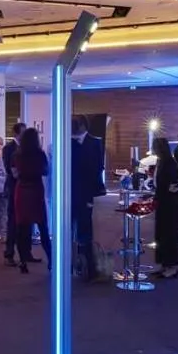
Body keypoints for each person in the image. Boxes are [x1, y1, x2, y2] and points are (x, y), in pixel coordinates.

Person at [71, 115, 106, 281]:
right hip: (69, 193)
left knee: (85, 230)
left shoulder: (95, 143)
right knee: (68, 230)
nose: (72, 128)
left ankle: (89, 269)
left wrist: (91, 193)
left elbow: (97, 168)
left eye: (75, 125)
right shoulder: (67, 142)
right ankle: (70, 265)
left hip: (85, 194)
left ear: (83, 126)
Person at [12, 127, 50, 274]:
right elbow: (45, 171)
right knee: (43, 227)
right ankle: (51, 260)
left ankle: (23, 262)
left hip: (21, 190)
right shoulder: (40, 154)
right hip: (36, 190)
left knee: (22, 228)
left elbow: (14, 174)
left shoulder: (17, 154)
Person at [151, 137, 178, 279]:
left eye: (155, 146)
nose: (153, 149)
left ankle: (172, 267)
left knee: (170, 235)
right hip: (161, 202)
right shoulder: (160, 161)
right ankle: (164, 264)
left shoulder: (170, 162)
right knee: (161, 235)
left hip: (169, 204)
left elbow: (171, 184)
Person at [2, 122, 26, 267]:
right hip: (14, 188)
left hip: (26, 189)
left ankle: (26, 253)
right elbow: (8, 169)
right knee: (12, 221)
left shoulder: (27, 147)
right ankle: (9, 253)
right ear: (16, 133)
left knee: (26, 222)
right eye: (23, 132)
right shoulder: (8, 149)